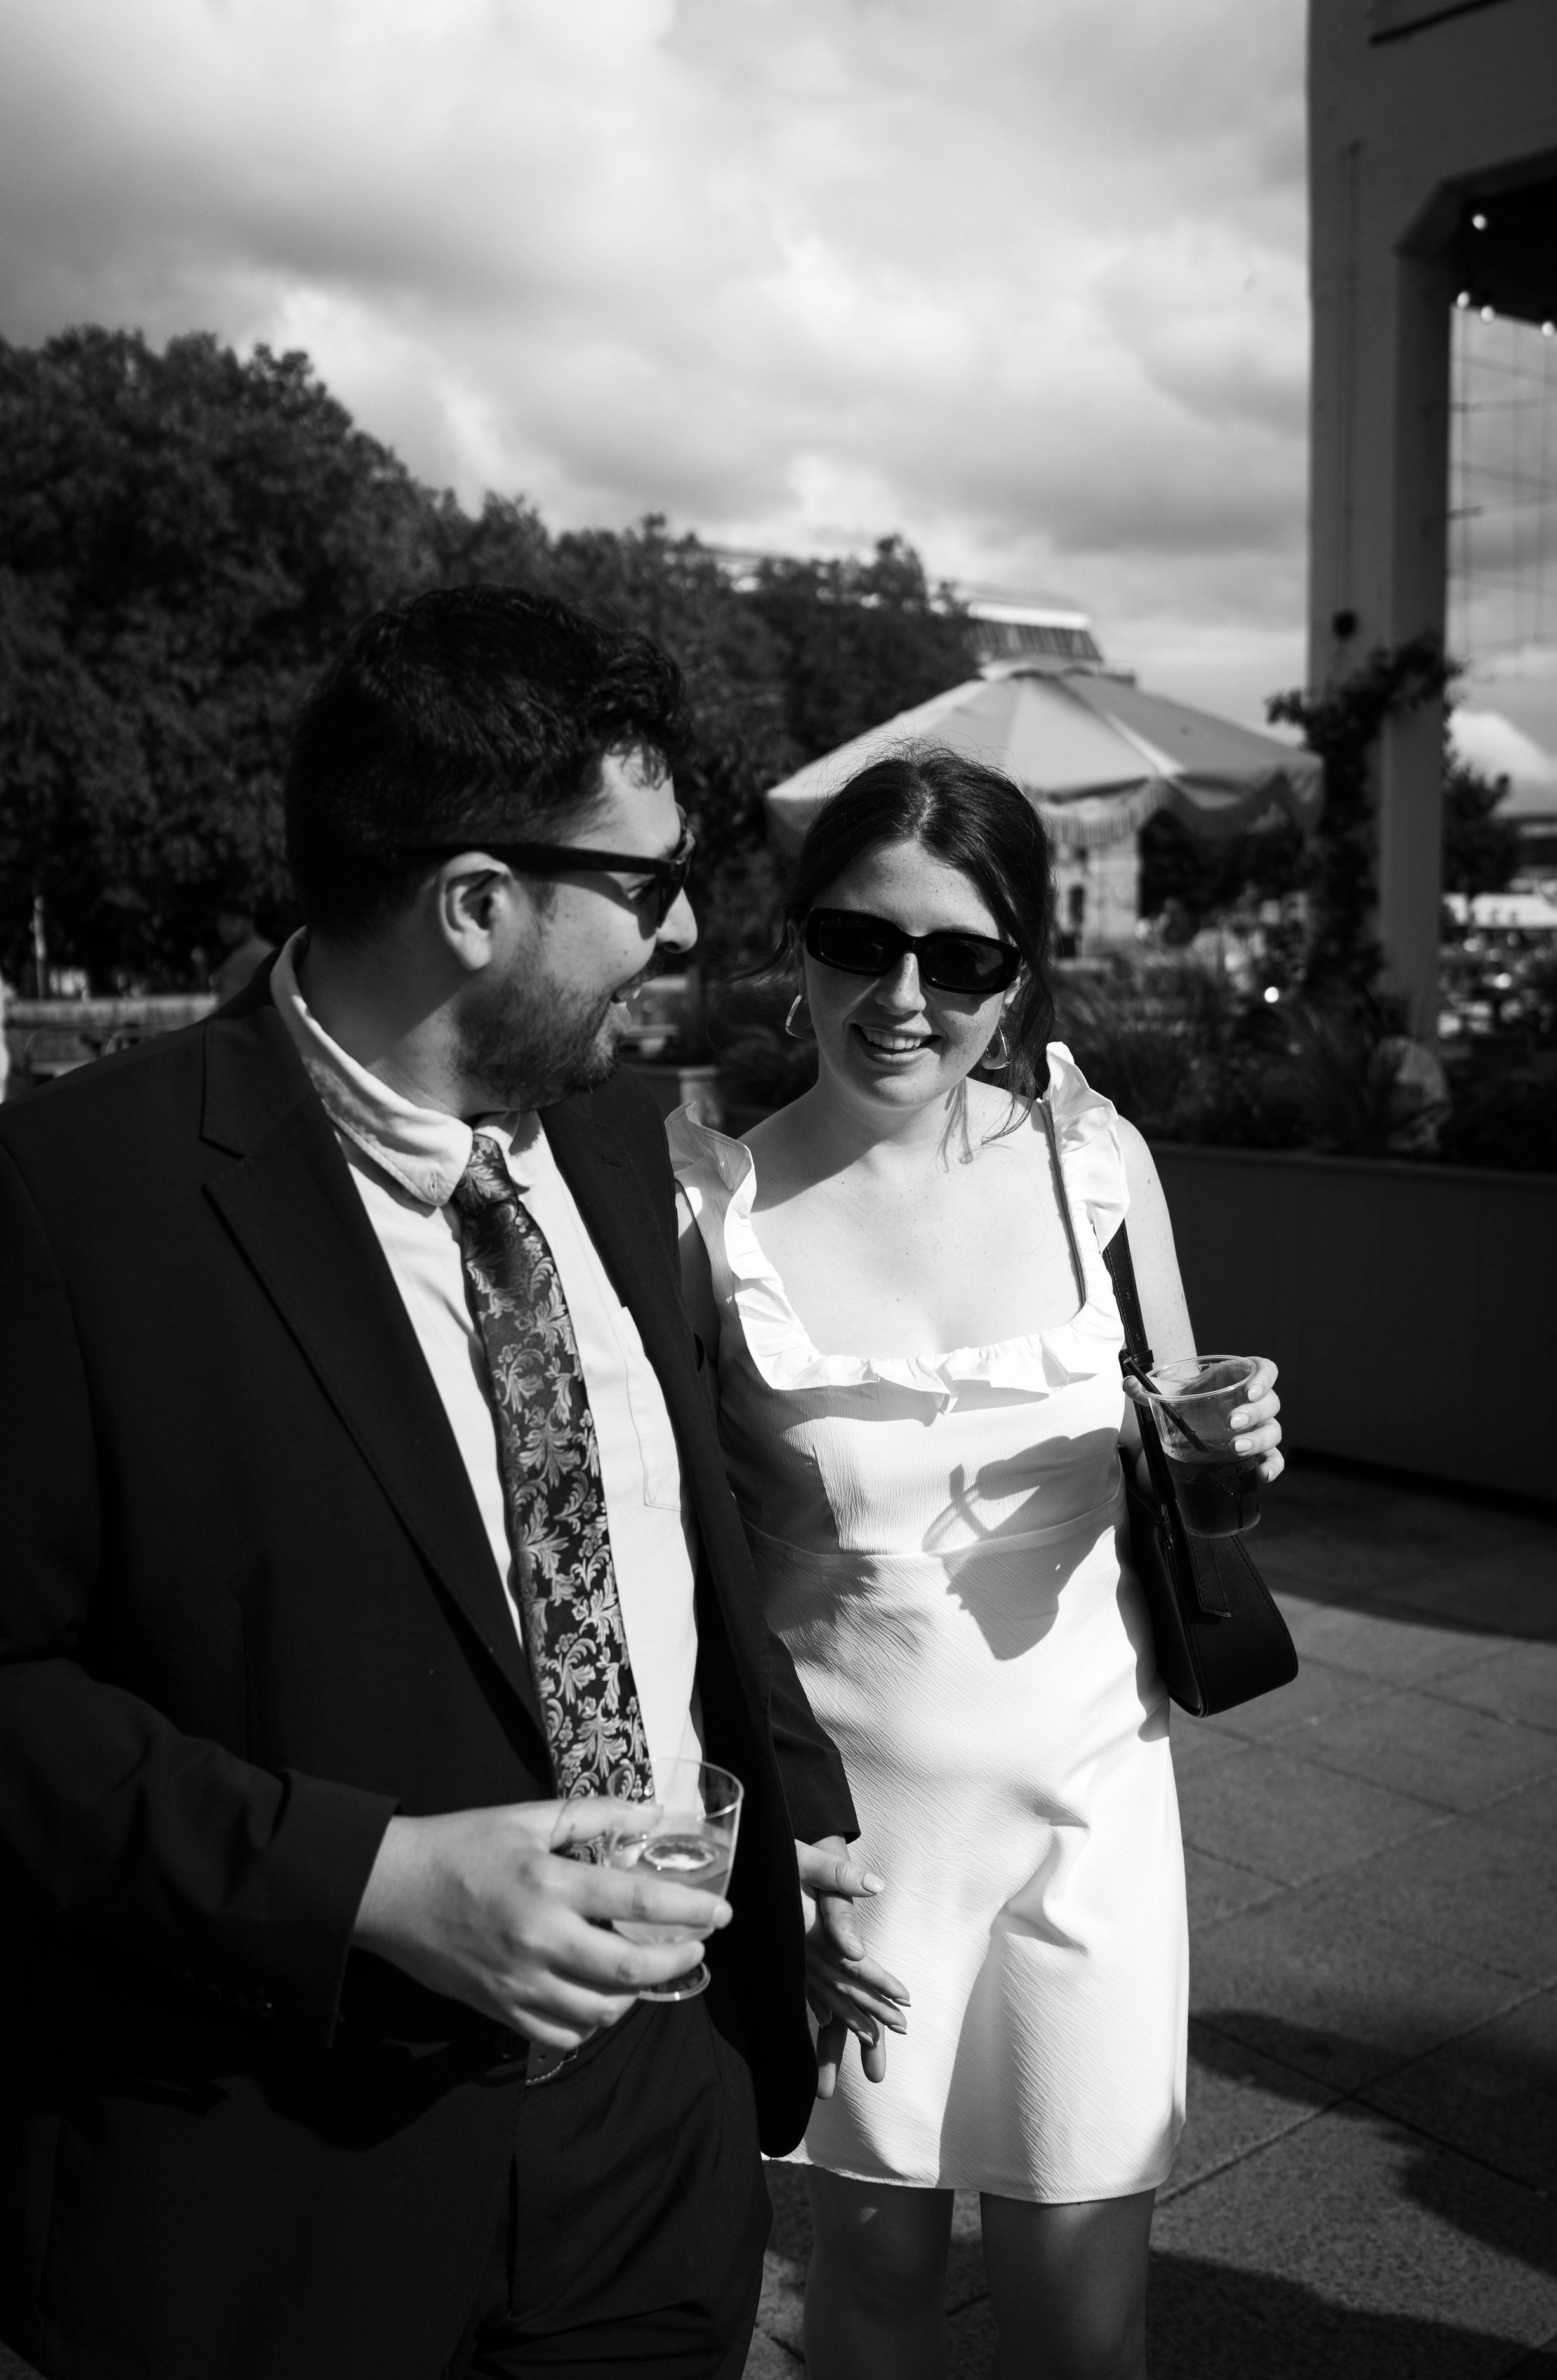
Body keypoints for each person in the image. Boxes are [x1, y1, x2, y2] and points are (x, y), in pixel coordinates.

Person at [0, 585, 887, 2380]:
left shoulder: (627, 1151)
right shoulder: (69, 1199)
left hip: (655, 2137)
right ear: (478, 904)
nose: (687, 926)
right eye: (643, 886)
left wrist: (794, 1818)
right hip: (290, 2183)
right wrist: (368, 1878)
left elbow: (676, 1545)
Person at [670, 749, 1285, 2380]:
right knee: (863, 2298)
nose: (900, 996)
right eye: (858, 942)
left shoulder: (1096, 1165)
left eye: (959, 959)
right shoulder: (708, 1207)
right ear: (791, 943)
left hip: (1090, 1808)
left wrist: (1229, 1463)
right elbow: (685, 1571)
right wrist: (753, 1866)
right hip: (852, 1855)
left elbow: (1186, 1480)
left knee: (1087, 2320)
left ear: (1016, 979)